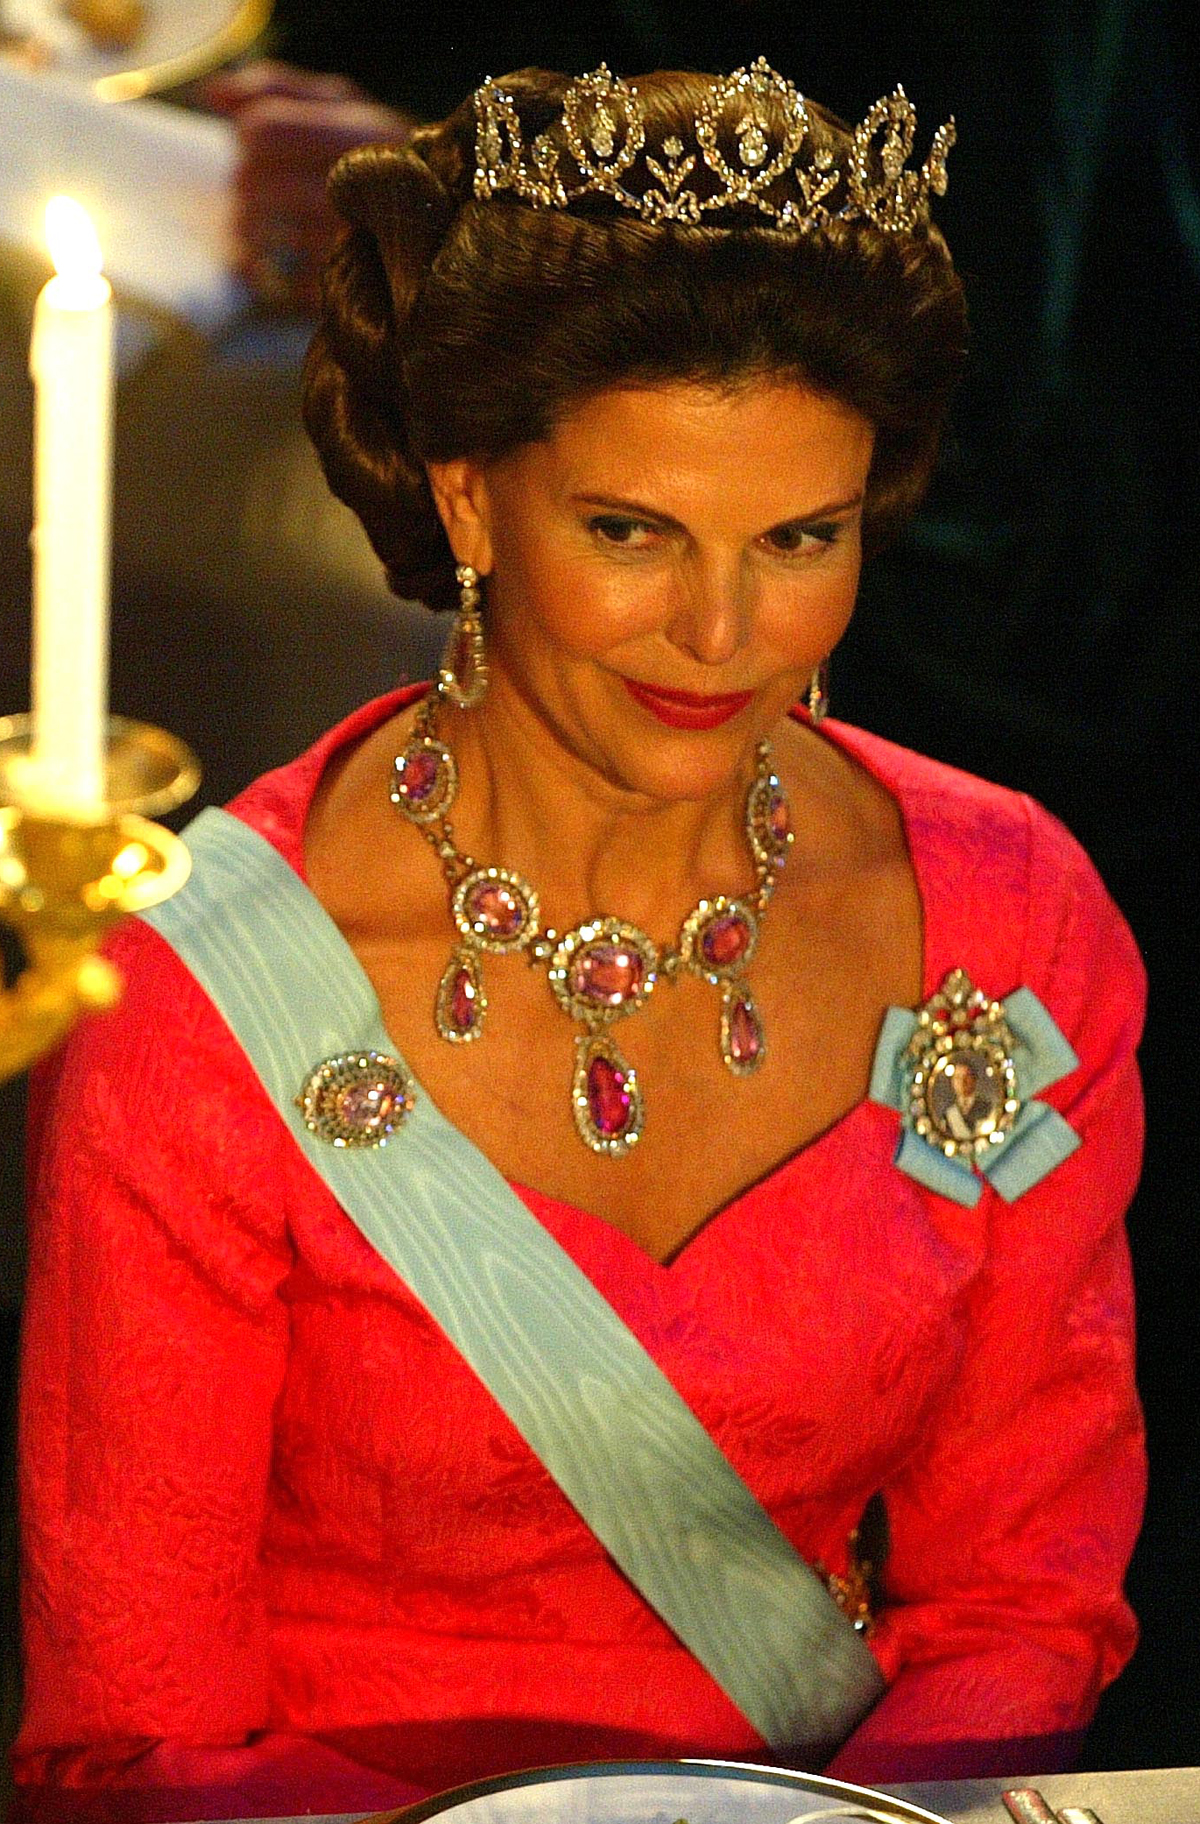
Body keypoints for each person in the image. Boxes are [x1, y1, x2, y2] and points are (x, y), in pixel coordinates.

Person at [13, 60, 1146, 1824]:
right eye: (632, 531)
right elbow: (142, 1732)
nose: (719, 630)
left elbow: (1022, 1593)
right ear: (469, 501)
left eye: (800, 538)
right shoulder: (198, 995)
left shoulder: (1011, 920)